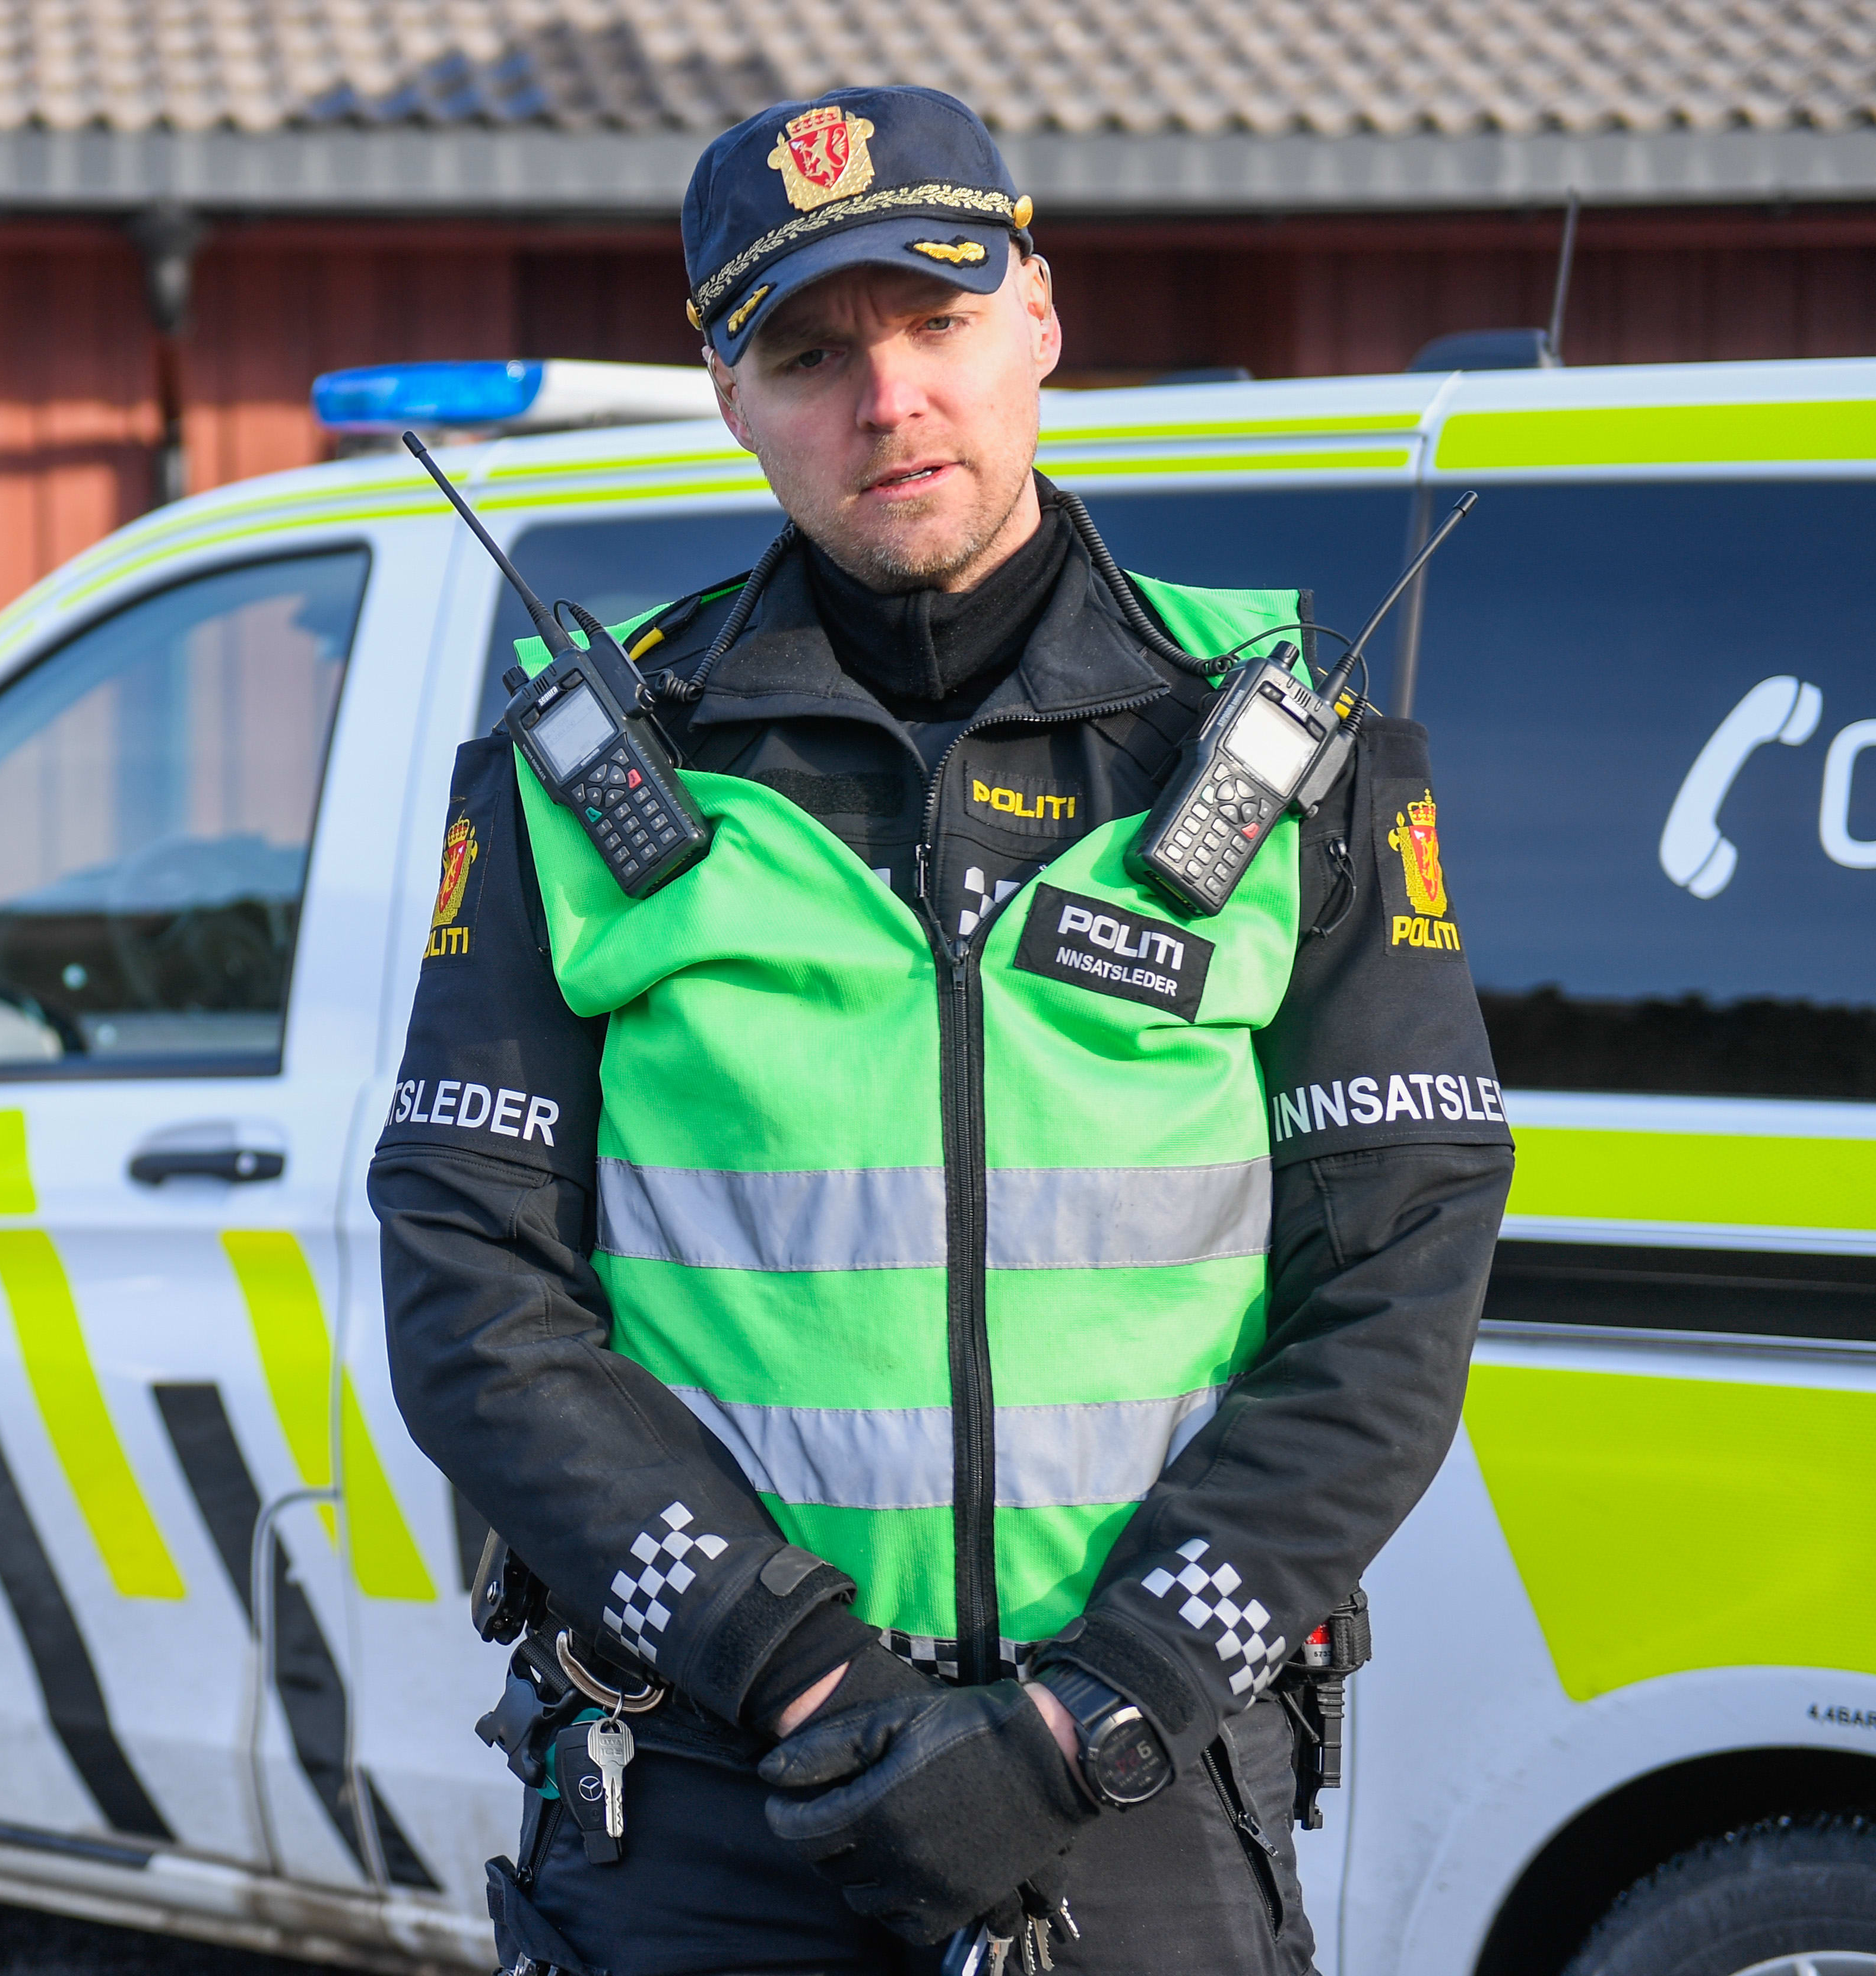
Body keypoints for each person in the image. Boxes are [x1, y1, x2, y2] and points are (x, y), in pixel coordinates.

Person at [369, 84, 1513, 1976]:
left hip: (1143, 1778)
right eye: (808, 353)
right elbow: (467, 1289)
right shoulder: (578, 775)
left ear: (1038, 318)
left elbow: (1398, 1279)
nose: (887, 398)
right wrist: (800, 1671)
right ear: (729, 394)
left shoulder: (1289, 752)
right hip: (710, 1782)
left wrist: (1098, 1707)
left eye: (936, 320)